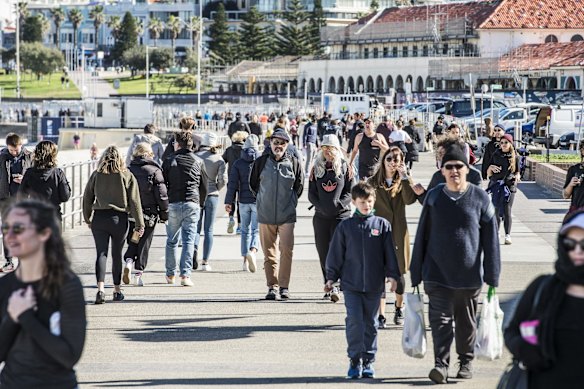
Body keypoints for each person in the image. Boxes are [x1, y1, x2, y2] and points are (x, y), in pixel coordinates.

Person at [410, 145, 500, 384]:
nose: (454, 171)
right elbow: (422, 235)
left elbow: (491, 240)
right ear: (442, 171)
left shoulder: (480, 198)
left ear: (466, 169)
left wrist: (493, 275)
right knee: (440, 323)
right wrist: (415, 271)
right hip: (436, 273)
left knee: (465, 323)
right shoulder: (434, 197)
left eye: (458, 166)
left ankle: (466, 360)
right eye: (448, 167)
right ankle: (440, 364)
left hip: (468, 277)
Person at [0, 200, 86, 388]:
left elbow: (69, 356)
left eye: (19, 228)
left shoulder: (66, 285)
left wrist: (25, 316)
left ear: (44, 233)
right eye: (6, 228)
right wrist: (12, 318)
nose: (9, 236)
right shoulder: (5, 286)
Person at [325, 181, 400, 379]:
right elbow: (335, 254)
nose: (366, 205)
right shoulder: (346, 226)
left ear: (373, 200)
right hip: (351, 284)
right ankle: (354, 359)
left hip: (374, 286)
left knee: (370, 323)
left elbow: (389, 254)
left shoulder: (382, 225)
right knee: (354, 322)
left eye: (369, 201)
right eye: (362, 202)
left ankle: (368, 360)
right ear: (354, 203)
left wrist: (393, 276)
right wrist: (331, 277)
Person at [504, 210, 584, 389]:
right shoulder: (543, 288)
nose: (577, 251)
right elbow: (512, 331)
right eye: (570, 244)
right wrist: (525, 350)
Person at [83, 145, 144, 303]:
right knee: (116, 254)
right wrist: (140, 224)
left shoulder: (96, 175)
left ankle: (100, 290)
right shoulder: (126, 175)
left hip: (99, 218)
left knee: (101, 254)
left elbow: (87, 198)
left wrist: (88, 218)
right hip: (119, 219)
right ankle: (117, 291)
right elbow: (135, 201)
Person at [249, 129, 304, 300]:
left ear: (287, 145)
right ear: (270, 143)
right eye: (275, 142)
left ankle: (284, 287)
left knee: (287, 250)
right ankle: (272, 286)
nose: (278, 145)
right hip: (265, 215)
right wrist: (262, 200)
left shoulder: (294, 162)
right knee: (269, 253)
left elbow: (299, 187)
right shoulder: (260, 162)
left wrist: (291, 202)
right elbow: (253, 185)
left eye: (282, 142)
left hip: (286, 215)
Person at [368, 146, 417, 328]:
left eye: (396, 160)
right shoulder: (373, 182)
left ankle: (399, 306)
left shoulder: (403, 180)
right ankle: (380, 315)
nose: (392, 163)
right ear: (383, 161)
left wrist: (405, 176)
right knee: (378, 275)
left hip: (398, 231)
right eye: (389, 159)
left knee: (399, 274)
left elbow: (409, 199)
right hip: (377, 232)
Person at [308, 135, 354, 302]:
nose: (327, 151)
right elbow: (311, 194)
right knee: (323, 253)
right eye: (324, 147)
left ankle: (337, 284)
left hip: (340, 217)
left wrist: (339, 205)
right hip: (321, 217)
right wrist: (321, 206)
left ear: (337, 149)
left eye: (331, 147)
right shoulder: (316, 168)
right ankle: (328, 284)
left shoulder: (345, 167)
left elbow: (350, 192)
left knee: (339, 252)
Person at [163, 131, 208, 286]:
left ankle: (170, 274)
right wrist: (199, 202)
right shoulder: (199, 161)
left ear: (177, 144)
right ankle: (185, 275)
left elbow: (164, 184)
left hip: (174, 202)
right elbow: (204, 186)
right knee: (189, 240)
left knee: (172, 240)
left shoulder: (169, 160)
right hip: (192, 202)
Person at [122, 143, 169, 286]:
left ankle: (129, 261)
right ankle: (138, 275)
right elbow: (161, 195)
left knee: (133, 239)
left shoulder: (127, 170)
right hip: (149, 213)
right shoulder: (154, 170)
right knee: (144, 243)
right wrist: (164, 214)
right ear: (149, 154)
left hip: (131, 213)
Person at [225, 134, 260, 273]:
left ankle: (245, 261)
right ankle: (253, 251)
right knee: (255, 230)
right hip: (258, 200)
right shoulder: (261, 161)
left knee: (244, 230)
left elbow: (232, 184)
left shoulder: (238, 163)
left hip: (243, 201)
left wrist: (229, 202)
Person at [0, 133, 33, 273]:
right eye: (11, 150)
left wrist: (24, 179)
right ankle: (8, 260)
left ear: (21, 145)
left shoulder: (29, 156)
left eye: (16, 150)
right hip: (5, 198)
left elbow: (34, 175)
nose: (14, 153)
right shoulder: (2, 156)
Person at [194, 132, 227, 271]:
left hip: (197, 195)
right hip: (212, 194)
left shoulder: (195, 157)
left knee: (196, 228)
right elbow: (223, 180)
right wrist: (215, 188)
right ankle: (205, 262)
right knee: (209, 229)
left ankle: (193, 252)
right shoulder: (219, 159)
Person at [414, 139, 482, 204]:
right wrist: (421, 194)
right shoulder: (438, 175)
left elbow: (478, 201)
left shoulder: (474, 174)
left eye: (443, 153)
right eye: (439, 153)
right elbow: (429, 202)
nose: (440, 157)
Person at [19, 140, 71, 220]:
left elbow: (21, 196)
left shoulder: (29, 172)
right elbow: (65, 196)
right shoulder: (58, 173)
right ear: (53, 156)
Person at [486, 133, 519, 245]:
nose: (504, 145)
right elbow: (488, 172)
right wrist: (490, 168)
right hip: (496, 185)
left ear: (510, 144)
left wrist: (517, 176)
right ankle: (496, 233)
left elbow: (518, 171)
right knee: (495, 209)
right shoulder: (496, 154)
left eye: (506, 143)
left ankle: (507, 235)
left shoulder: (515, 157)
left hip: (509, 186)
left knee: (507, 209)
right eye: (502, 143)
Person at [222, 131, 248, 234]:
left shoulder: (229, 150)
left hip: (231, 179)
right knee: (240, 202)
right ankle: (239, 226)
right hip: (242, 180)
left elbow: (222, 161)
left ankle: (231, 218)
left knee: (231, 201)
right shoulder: (245, 150)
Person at [563, 142, 584, 214]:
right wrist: (571, 184)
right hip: (577, 211)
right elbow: (565, 195)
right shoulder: (574, 169)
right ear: (582, 151)